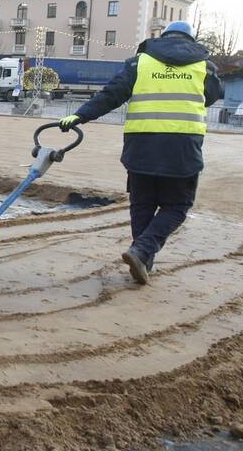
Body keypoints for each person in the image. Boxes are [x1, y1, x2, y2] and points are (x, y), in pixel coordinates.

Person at [59, 21, 222, 285]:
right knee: (177, 206)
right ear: (191, 40)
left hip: (141, 147)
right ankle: (142, 252)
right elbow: (212, 96)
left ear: (163, 36)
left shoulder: (139, 63)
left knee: (142, 205)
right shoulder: (204, 67)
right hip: (181, 150)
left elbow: (111, 95)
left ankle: (142, 257)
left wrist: (79, 116)